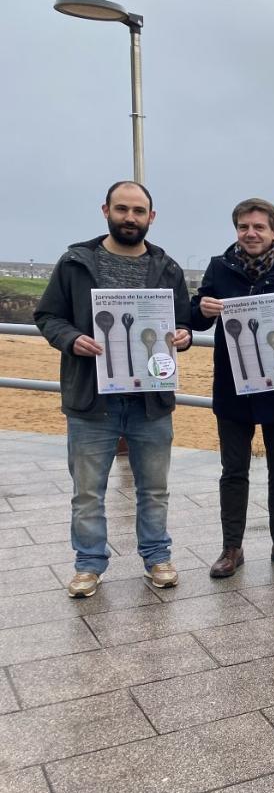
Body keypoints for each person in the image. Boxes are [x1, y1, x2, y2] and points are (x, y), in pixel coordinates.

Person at [35, 181, 192, 597]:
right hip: (91, 399)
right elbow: (48, 316)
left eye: (139, 211)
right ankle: (88, 565)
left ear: (151, 218)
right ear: (106, 210)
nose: (130, 218)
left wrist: (183, 335)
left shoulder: (168, 268)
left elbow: (184, 322)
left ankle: (157, 558)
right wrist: (71, 339)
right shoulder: (75, 263)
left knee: (154, 489)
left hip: (151, 402)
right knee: (87, 492)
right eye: (122, 209)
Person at [191, 198, 274, 578]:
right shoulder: (220, 267)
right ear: (236, 230)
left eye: (259, 227)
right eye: (243, 227)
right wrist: (201, 309)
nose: (250, 233)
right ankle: (231, 548)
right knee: (233, 471)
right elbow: (195, 318)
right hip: (232, 388)